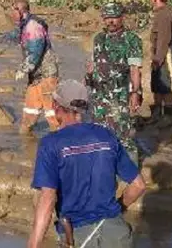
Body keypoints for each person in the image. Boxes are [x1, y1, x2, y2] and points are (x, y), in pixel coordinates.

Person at [28, 80, 146, 248]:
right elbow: (139, 185)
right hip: (117, 234)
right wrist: (115, 212)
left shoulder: (51, 144)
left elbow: (47, 198)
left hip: (79, 236)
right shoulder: (106, 136)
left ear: (55, 106)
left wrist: (33, 245)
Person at [0, 0, 60, 133]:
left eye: (14, 11)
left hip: (47, 74)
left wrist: (23, 69)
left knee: (52, 113)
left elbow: (36, 52)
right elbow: (15, 36)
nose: (11, 14)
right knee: (29, 112)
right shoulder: (24, 25)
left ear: (22, 11)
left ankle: (61, 139)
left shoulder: (33, 26)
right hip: (35, 75)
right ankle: (26, 141)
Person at [86, 2, 143, 164]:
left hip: (120, 95)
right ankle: (103, 166)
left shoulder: (132, 39)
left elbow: (135, 69)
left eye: (114, 18)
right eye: (107, 18)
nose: (111, 21)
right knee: (98, 132)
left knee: (124, 134)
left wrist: (135, 93)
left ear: (122, 18)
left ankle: (131, 173)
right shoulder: (99, 39)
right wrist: (89, 75)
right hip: (99, 95)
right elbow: (94, 63)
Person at [149, 0, 172, 127]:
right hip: (159, 55)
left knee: (165, 86)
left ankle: (167, 119)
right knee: (157, 85)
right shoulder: (161, 12)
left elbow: (163, 40)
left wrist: (158, 59)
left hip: (163, 57)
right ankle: (157, 115)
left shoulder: (164, 15)